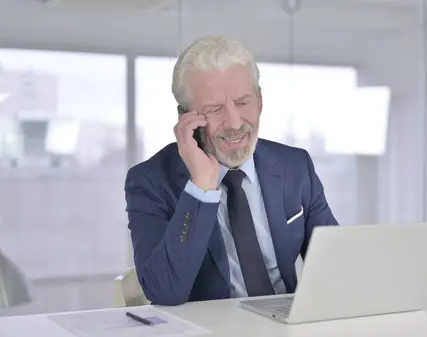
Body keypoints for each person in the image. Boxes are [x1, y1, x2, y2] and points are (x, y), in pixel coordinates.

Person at [124, 35, 339, 306]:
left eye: (243, 102)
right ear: (186, 118)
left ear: (260, 101)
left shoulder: (295, 166)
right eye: (215, 109)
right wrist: (201, 186)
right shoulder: (150, 181)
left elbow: (336, 268)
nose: (235, 122)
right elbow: (165, 291)